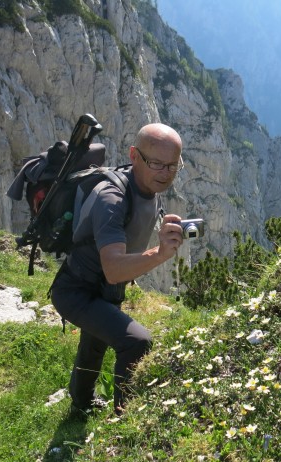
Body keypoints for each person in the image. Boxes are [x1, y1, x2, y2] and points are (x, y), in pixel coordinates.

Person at [50, 123, 185, 417]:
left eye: (173, 166)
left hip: (104, 289)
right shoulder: (112, 198)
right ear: (134, 155)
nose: (165, 173)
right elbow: (113, 269)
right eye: (157, 164)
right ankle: (126, 420)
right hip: (77, 290)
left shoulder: (147, 185)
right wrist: (160, 253)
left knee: (95, 342)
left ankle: (80, 404)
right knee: (136, 342)